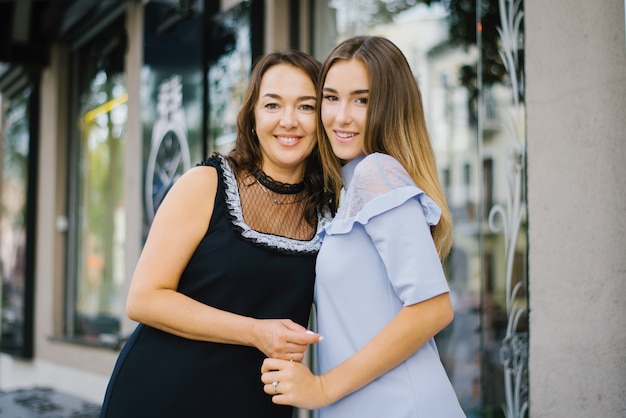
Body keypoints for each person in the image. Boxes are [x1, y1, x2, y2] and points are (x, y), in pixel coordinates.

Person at [99, 49, 329, 418]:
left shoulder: (331, 210)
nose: (289, 121)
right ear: (252, 117)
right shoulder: (206, 184)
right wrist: (255, 332)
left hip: (255, 404)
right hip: (163, 395)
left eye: (306, 107)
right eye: (272, 105)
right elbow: (143, 299)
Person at [261, 36, 466, 417]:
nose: (341, 116)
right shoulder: (349, 189)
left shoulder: (377, 172)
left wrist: (322, 387)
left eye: (362, 100)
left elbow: (433, 308)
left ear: (389, 107)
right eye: (332, 97)